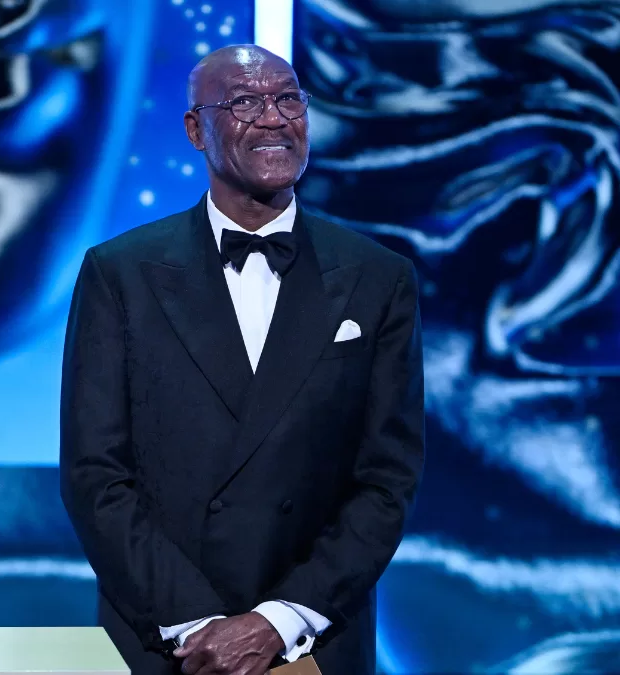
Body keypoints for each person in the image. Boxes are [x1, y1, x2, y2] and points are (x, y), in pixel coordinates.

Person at [59, 45, 425, 675]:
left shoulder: (378, 277)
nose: (274, 117)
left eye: (288, 99)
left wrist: (278, 622)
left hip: (313, 639)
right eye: (245, 102)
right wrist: (202, 625)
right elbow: (96, 474)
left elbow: (386, 478)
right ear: (196, 129)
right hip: (165, 639)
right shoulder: (119, 273)